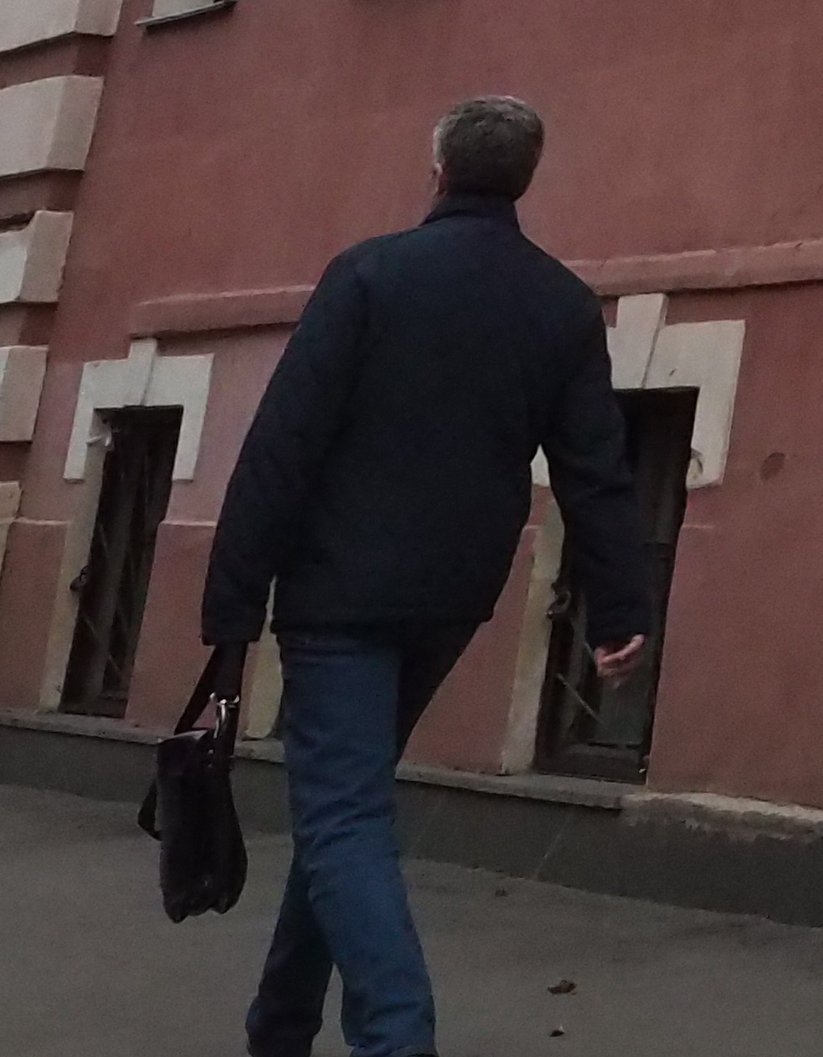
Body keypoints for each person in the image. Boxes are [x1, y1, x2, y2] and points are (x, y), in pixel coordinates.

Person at [201, 97, 654, 1057]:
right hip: (452, 599)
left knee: (344, 815)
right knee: (347, 807)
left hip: (335, 598)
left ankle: (397, 1039)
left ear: (436, 168)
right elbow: (596, 469)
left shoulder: (369, 274)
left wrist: (233, 606)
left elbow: (283, 444)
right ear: (522, 180)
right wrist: (622, 605)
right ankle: (278, 1026)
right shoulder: (562, 304)